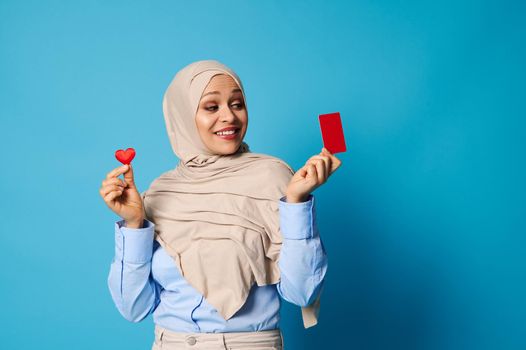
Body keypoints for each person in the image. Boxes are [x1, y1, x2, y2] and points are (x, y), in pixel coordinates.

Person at [99, 60, 342, 349]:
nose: (229, 116)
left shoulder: (274, 177)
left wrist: (296, 203)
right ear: (184, 114)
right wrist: (134, 224)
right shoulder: (161, 192)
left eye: (237, 104)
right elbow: (134, 308)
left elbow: (302, 292)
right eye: (211, 107)